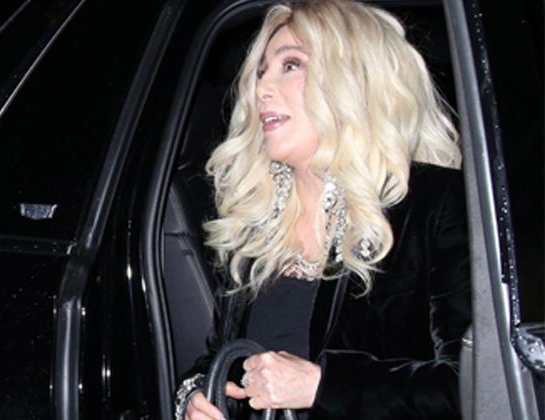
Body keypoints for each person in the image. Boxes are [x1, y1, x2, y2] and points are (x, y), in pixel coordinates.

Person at [176, 1, 470, 419]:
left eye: (291, 65)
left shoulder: (432, 205)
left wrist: (322, 386)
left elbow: (473, 388)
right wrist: (195, 397)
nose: (262, 88)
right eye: (261, 72)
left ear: (354, 78)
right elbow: (219, 361)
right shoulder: (256, 225)